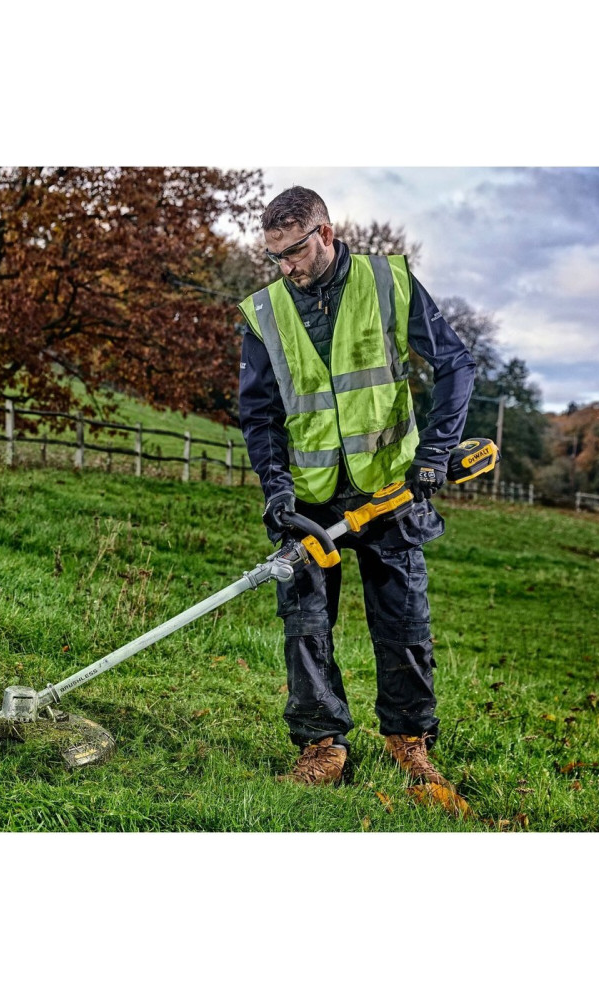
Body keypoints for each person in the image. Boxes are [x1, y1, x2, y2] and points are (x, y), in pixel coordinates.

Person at [237, 186, 475, 792]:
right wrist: (276, 491)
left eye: (294, 252)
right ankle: (322, 746)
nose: (285, 268)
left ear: (325, 233)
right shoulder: (265, 312)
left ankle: (409, 740)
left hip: (391, 490)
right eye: (275, 256)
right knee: (305, 622)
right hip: (310, 500)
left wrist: (434, 455)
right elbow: (260, 416)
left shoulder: (388, 282)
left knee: (403, 621)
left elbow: (456, 364)